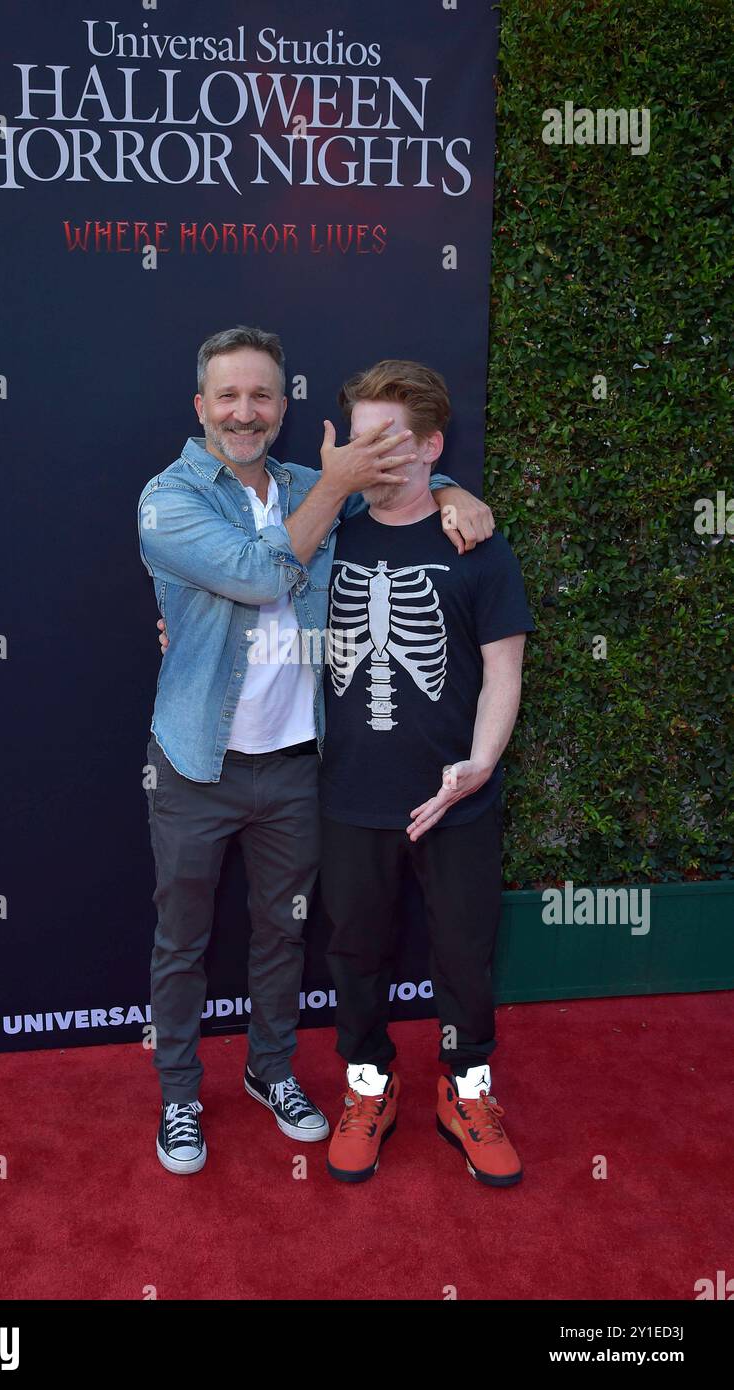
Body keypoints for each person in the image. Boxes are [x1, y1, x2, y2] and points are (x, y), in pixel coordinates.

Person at [138, 326, 495, 1175]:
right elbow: (262, 577)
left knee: (282, 937)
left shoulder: (310, 483)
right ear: (201, 407)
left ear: (284, 406)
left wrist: (449, 491)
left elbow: (400, 481)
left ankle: (271, 1073)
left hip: (302, 764)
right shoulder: (169, 499)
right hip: (197, 763)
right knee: (181, 941)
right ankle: (180, 1098)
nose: (244, 411)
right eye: (227, 395)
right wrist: (335, 491)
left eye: (261, 394)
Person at [319, 360, 535, 1187]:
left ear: (432, 446)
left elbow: (503, 671)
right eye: (361, 440)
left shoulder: (477, 545)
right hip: (349, 796)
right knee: (354, 949)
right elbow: (247, 581)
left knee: (464, 951)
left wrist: (478, 766)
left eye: (392, 442)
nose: (373, 458)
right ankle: (369, 1084)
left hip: (457, 801)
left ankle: (466, 1088)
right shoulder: (324, 530)